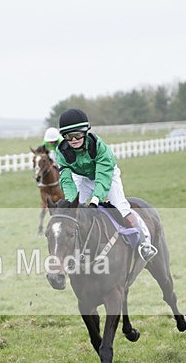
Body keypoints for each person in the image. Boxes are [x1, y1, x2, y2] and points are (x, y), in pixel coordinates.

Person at [54, 108, 157, 262]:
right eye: (69, 136)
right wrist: (72, 201)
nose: (73, 140)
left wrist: (96, 199)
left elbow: (103, 176)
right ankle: (77, 251)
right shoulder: (62, 151)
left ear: (85, 132)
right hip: (82, 177)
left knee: (121, 207)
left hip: (107, 175)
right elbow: (66, 179)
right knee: (74, 213)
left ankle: (143, 244)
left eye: (77, 135)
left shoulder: (99, 147)